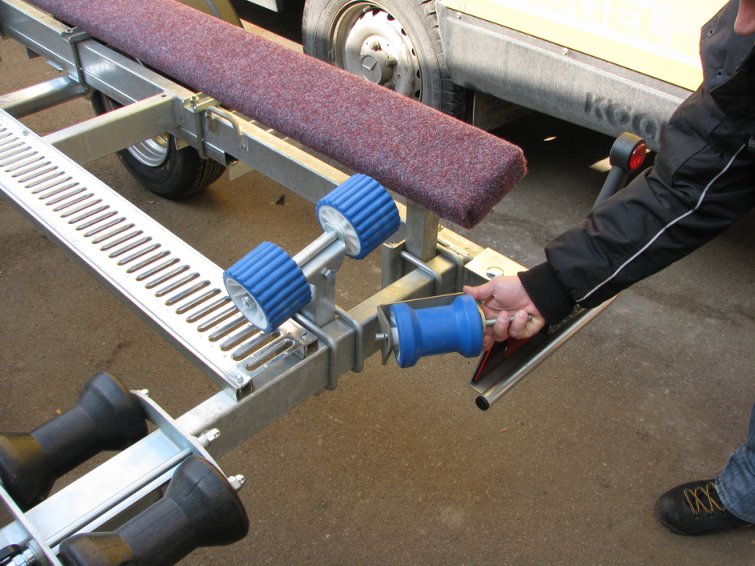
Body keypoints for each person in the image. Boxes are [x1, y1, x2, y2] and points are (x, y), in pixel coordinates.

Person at [464, 0, 755, 536]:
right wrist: (549, 286)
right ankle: (748, 491)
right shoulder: (747, 47)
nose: (743, 23)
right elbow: (688, 184)